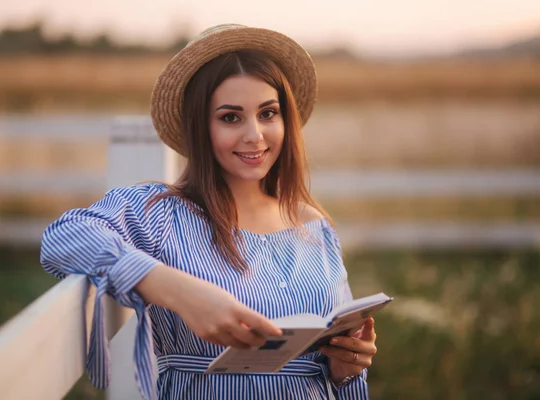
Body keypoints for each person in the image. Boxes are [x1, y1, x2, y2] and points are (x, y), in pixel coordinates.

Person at [40, 24, 377, 400]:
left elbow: (337, 369)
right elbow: (63, 237)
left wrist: (344, 368)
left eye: (268, 113)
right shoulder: (162, 214)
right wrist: (177, 290)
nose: (255, 135)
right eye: (231, 117)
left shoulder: (314, 225)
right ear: (201, 126)